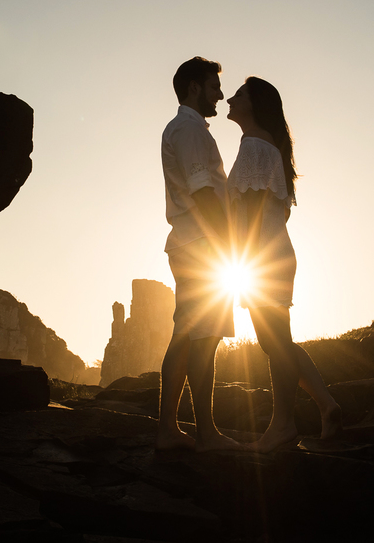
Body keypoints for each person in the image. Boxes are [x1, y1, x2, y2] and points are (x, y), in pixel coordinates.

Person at [224, 76, 343, 452]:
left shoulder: (255, 147)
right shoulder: (266, 147)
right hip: (271, 254)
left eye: (239, 94)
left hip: (260, 257)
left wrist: (241, 261)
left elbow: (255, 209)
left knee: (274, 340)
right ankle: (326, 404)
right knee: (275, 340)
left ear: (255, 104)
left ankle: (283, 426)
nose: (230, 97)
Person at [156, 57, 242, 452]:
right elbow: (203, 191)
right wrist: (227, 245)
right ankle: (200, 432)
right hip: (202, 246)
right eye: (213, 87)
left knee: (192, 336)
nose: (220, 95)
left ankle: (176, 429)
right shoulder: (189, 130)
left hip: (193, 244)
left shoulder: (185, 129)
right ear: (193, 87)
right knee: (198, 339)